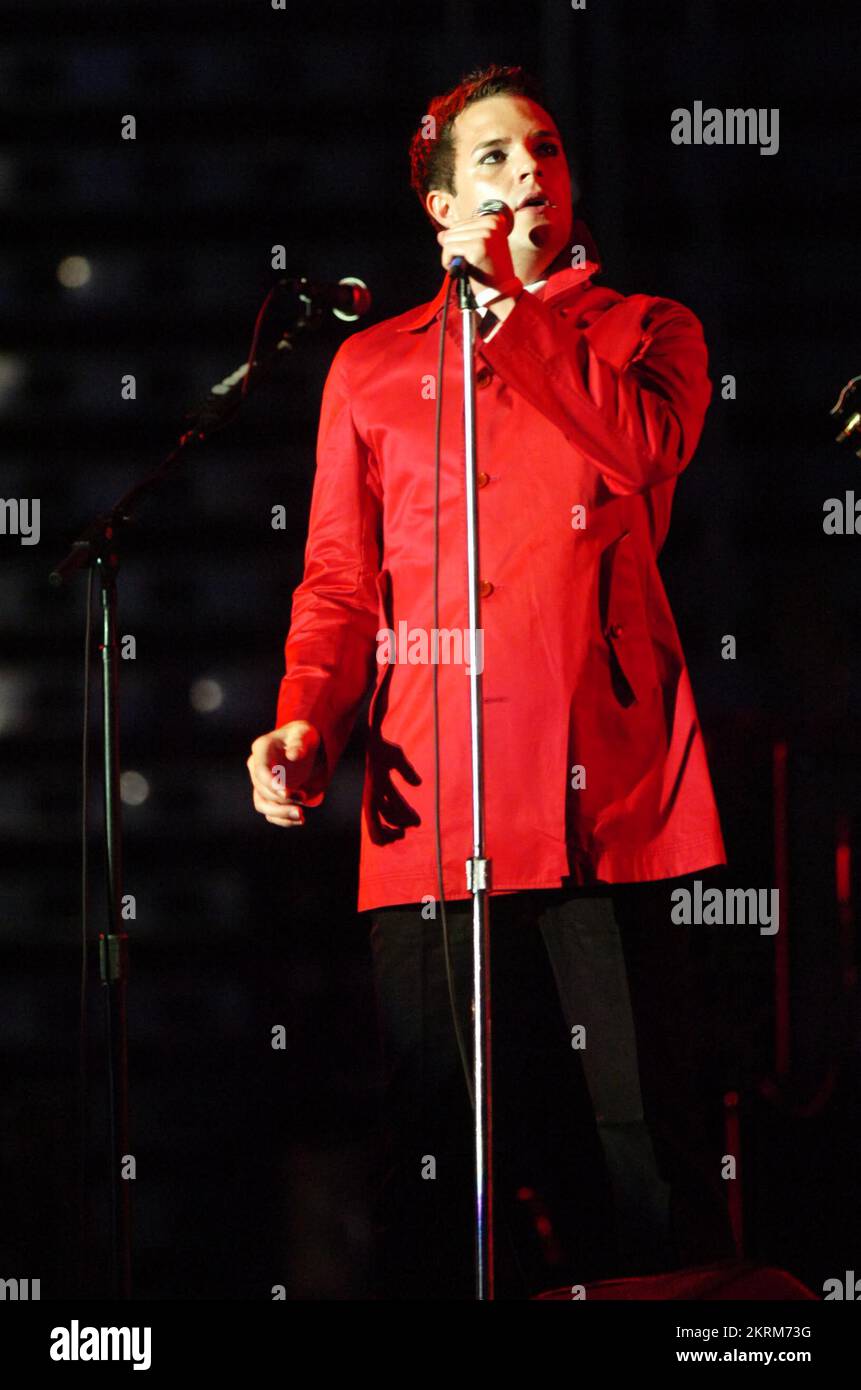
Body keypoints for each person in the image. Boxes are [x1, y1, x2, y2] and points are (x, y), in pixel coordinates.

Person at [247, 63, 735, 1299]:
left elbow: (640, 450)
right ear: (441, 202)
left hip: (602, 794)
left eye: (547, 150)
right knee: (438, 1162)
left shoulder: (646, 330)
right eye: (496, 157)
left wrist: (517, 315)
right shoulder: (370, 371)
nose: (528, 172)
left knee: (642, 1150)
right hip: (435, 802)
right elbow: (343, 585)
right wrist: (306, 716)